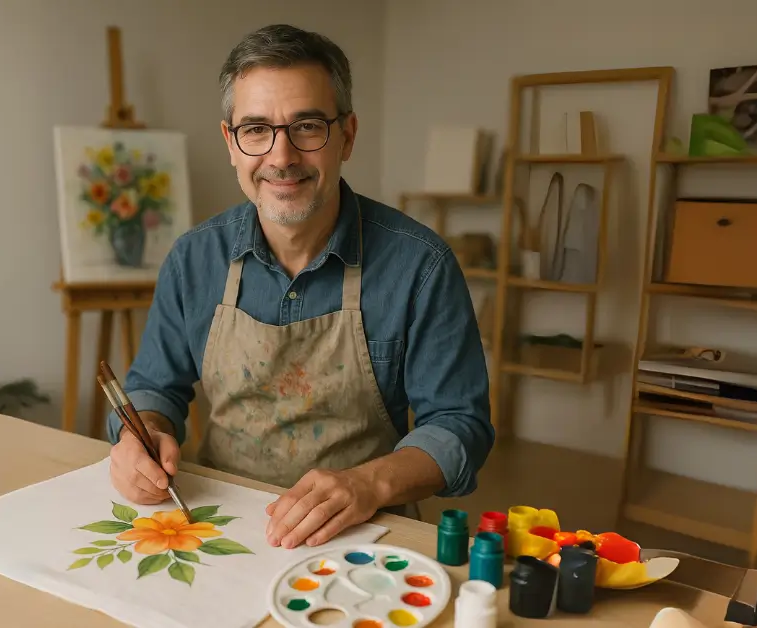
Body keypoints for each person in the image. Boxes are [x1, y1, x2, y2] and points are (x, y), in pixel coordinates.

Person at [105, 23, 493, 550]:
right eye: (256, 129)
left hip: (363, 534)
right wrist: (142, 435)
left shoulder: (420, 266)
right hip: (222, 523)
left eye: (307, 126)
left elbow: (459, 423)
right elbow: (153, 388)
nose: (282, 157)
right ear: (231, 143)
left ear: (347, 135)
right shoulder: (193, 259)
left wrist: (368, 483)